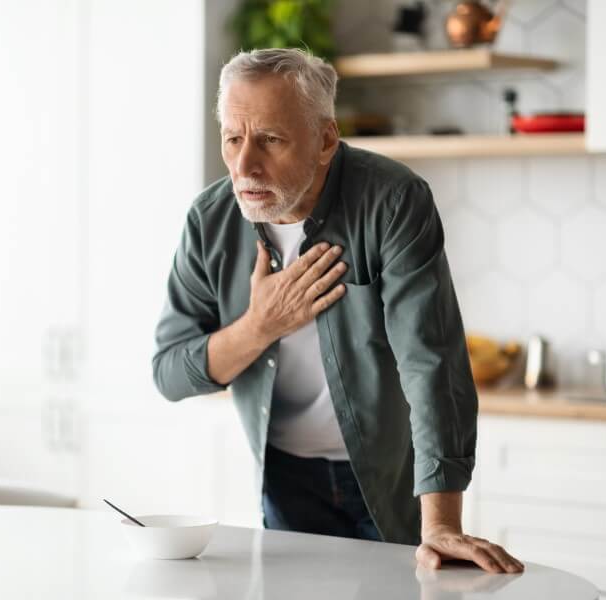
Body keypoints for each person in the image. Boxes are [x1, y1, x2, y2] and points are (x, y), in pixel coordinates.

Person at [152, 48, 523, 574]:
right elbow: (169, 373)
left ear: (325, 140)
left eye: (270, 140)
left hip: (391, 480)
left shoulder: (393, 201)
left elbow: (431, 362)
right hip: (284, 481)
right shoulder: (210, 220)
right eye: (233, 138)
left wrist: (441, 525)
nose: (244, 165)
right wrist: (260, 326)